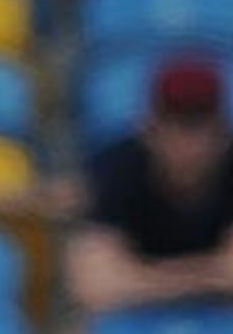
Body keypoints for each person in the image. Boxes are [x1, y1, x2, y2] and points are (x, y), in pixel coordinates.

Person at [65, 57, 233, 317]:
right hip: (131, 322)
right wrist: (206, 275)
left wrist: (139, 276)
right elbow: (94, 287)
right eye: (174, 124)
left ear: (221, 133)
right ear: (150, 128)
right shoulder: (116, 166)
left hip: (219, 320)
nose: (187, 143)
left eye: (198, 125)